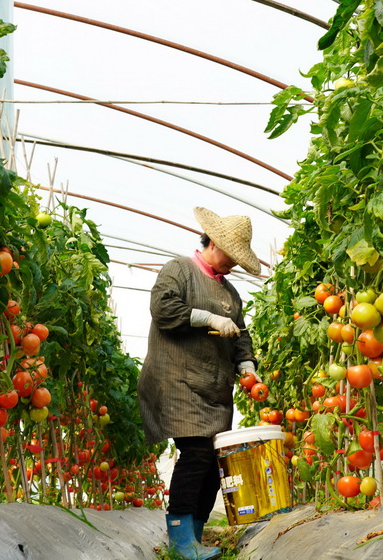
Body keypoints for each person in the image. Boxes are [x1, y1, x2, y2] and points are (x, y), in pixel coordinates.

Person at [138, 207, 261, 560]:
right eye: (232, 256)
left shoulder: (231, 294)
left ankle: (194, 534)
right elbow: (163, 309)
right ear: (215, 243)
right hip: (176, 380)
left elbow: (240, 336)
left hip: (214, 388)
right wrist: (206, 317)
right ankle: (180, 540)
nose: (234, 265)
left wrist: (247, 365)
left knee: (213, 462)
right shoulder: (178, 270)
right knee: (196, 454)